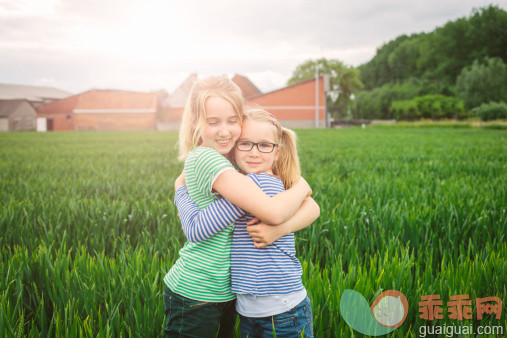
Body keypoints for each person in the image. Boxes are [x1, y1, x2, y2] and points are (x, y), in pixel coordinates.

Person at [163, 76, 313, 337]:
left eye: (233, 121)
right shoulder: (221, 165)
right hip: (199, 290)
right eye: (213, 122)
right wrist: (302, 185)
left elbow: (311, 208)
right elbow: (198, 229)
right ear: (195, 122)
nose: (225, 131)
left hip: (225, 293)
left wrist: (180, 191)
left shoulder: (233, 163)